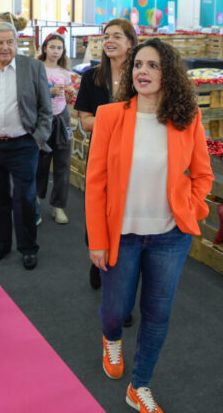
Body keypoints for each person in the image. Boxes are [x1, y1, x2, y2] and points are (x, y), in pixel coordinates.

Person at [86, 38, 213, 413]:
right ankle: (111, 340)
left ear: (169, 73)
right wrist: (97, 239)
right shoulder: (111, 115)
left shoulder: (186, 118)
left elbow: (203, 175)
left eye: (153, 65)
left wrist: (190, 206)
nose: (143, 71)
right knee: (115, 310)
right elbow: (95, 182)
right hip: (120, 235)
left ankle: (139, 386)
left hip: (170, 237)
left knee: (158, 314)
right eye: (138, 64)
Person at [0, 21, 52, 270]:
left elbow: (45, 109)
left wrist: (38, 139)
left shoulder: (33, 67)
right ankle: (2, 243)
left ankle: (28, 248)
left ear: (17, 43)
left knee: (25, 199)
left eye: (10, 42)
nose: (5, 47)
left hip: (24, 144)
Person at [75, 18, 138, 289]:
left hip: (135, 157)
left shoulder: (141, 76)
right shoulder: (92, 77)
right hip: (101, 157)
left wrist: (106, 121)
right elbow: (85, 122)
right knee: (98, 208)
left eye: (117, 36)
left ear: (131, 43)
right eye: (106, 36)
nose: (109, 40)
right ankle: (97, 256)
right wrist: (119, 121)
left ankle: (121, 278)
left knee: (126, 214)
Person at [36, 33, 76, 225]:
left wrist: (70, 93)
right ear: (45, 48)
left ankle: (58, 206)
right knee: (40, 162)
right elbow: (30, 95)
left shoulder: (65, 73)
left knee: (62, 163)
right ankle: (35, 198)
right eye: (52, 47)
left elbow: (67, 98)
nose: (55, 51)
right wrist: (48, 92)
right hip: (42, 119)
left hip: (62, 119)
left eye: (59, 48)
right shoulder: (37, 69)